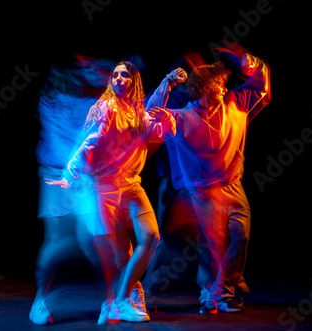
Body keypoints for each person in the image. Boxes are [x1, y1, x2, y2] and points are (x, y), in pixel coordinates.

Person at [47, 61, 186, 324]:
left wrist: (167, 114)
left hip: (131, 184)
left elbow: (156, 125)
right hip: (104, 187)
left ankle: (123, 298)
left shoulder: (138, 113)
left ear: (134, 81)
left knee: (151, 237)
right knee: (120, 250)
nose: (119, 78)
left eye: (125, 75)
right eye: (115, 75)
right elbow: (90, 142)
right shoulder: (107, 107)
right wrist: (69, 174)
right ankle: (122, 299)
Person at [147, 45, 271, 313]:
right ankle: (216, 294)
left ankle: (220, 290)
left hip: (233, 186)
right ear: (202, 91)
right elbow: (153, 118)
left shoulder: (235, 104)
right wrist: (166, 85)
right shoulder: (182, 117)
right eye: (219, 86)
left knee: (241, 236)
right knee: (214, 247)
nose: (225, 89)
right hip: (204, 192)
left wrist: (248, 61)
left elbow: (260, 84)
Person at [29, 57, 114, 325]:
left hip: (88, 177)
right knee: (57, 241)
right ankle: (39, 300)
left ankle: (115, 299)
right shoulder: (52, 100)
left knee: (96, 242)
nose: (85, 71)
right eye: (79, 68)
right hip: (58, 176)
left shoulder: (97, 99)